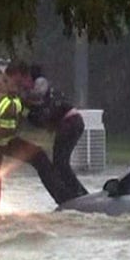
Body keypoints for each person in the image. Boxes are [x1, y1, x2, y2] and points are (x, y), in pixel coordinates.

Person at [0, 60, 75, 205]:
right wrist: (22, 101)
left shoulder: (13, 90)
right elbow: (3, 109)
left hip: (6, 140)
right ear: (17, 75)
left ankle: (65, 200)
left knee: (39, 157)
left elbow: (23, 114)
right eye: (26, 78)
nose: (28, 83)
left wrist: (43, 113)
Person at [22, 65, 88, 199]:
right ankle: (76, 192)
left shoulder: (40, 88)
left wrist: (24, 109)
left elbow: (40, 116)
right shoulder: (47, 92)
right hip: (73, 122)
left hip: (69, 123)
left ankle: (78, 193)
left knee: (60, 163)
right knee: (60, 163)